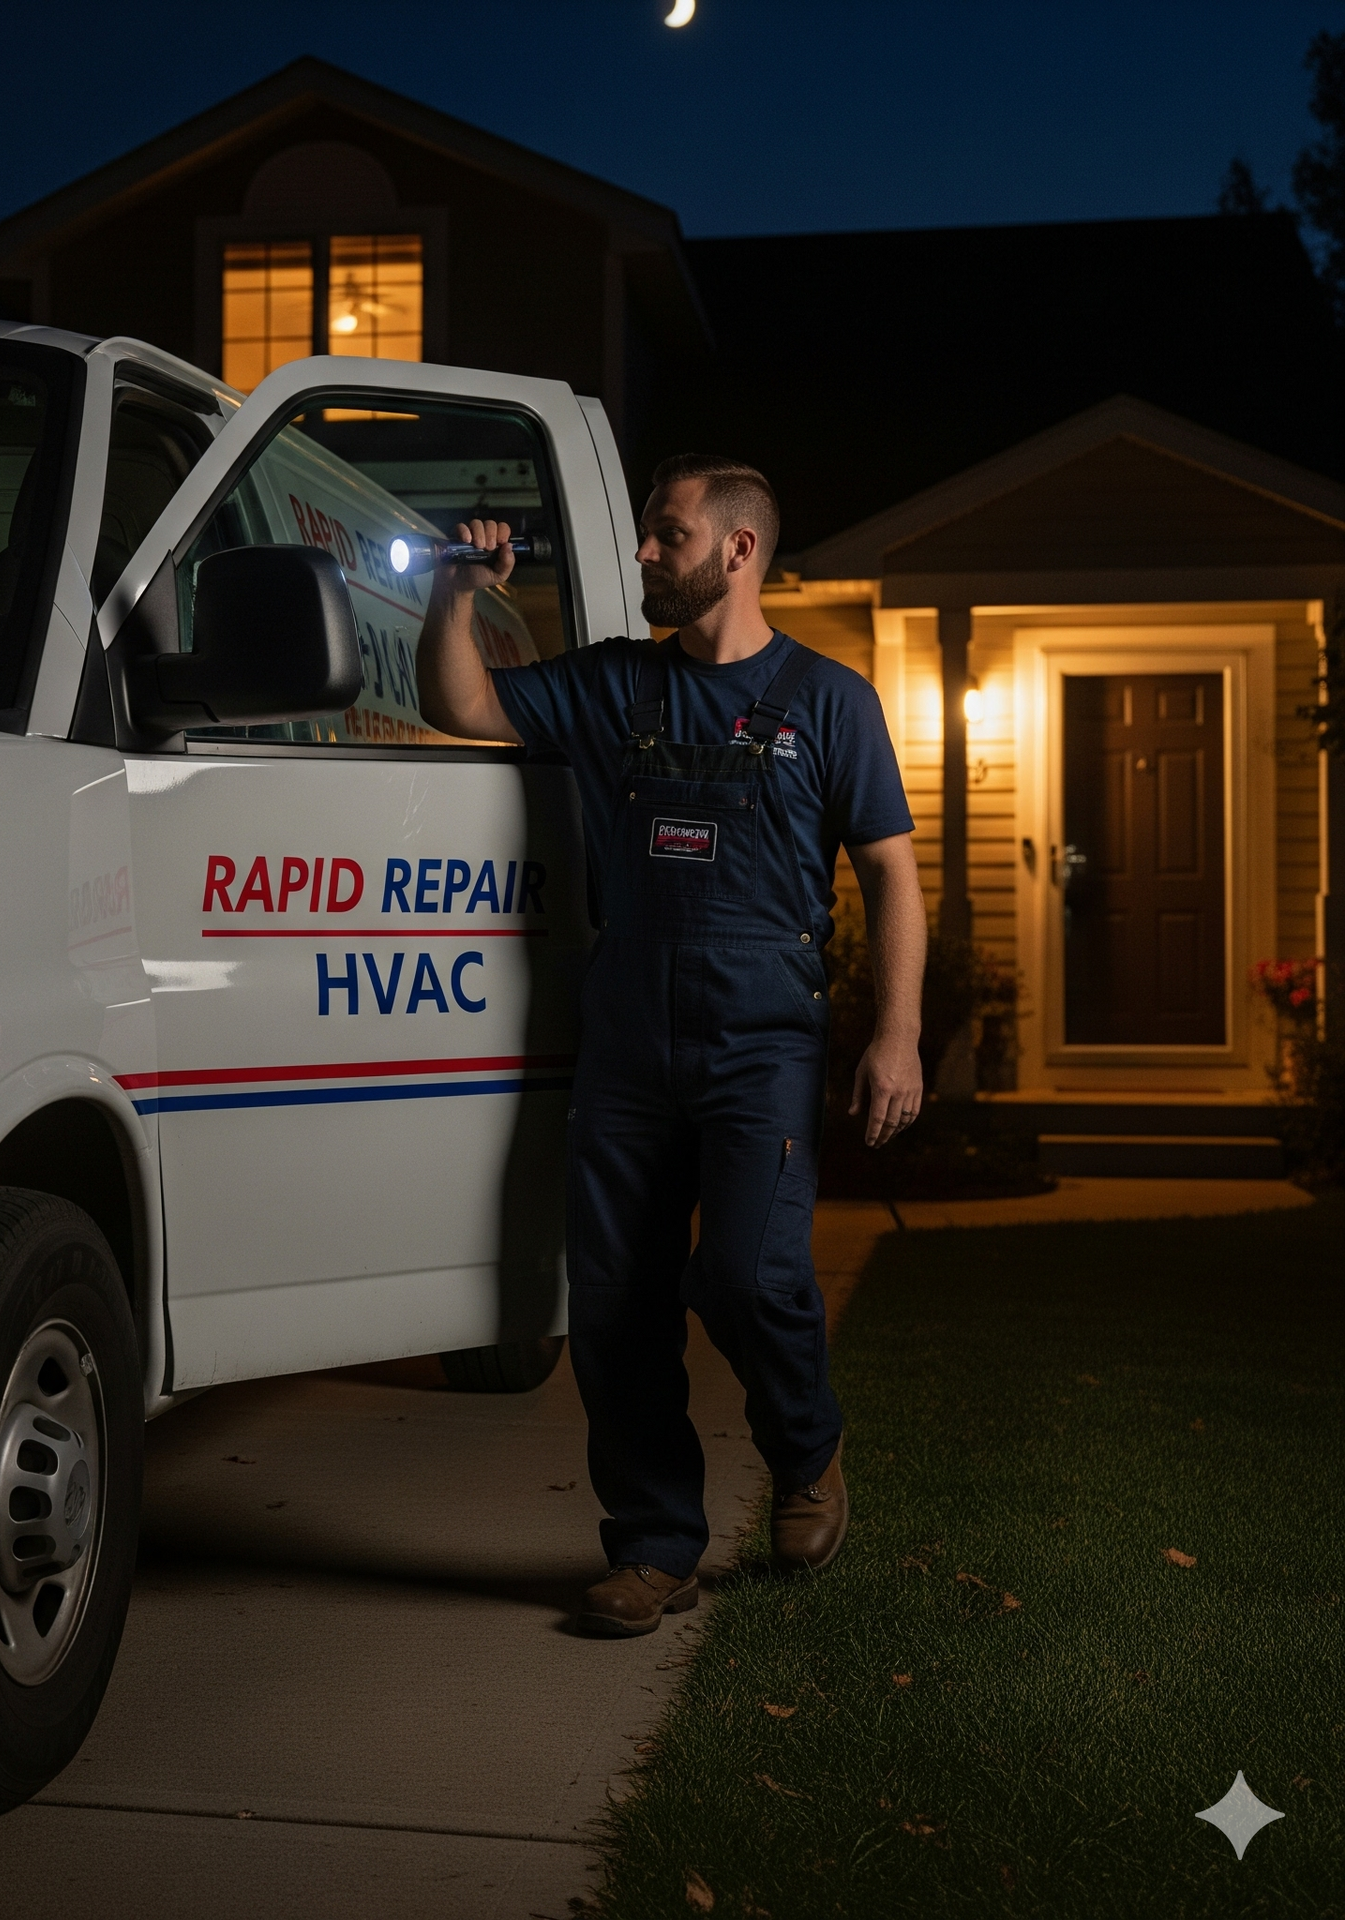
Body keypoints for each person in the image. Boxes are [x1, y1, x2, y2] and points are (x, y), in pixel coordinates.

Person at [414, 452, 925, 1637]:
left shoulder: (830, 699)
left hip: (764, 1045)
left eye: (668, 535)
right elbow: (464, 706)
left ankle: (806, 1450)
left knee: (749, 1276)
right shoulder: (610, 687)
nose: (645, 553)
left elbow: (891, 872)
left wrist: (897, 1033)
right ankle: (653, 1547)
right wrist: (454, 593)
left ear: (738, 550)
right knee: (617, 1304)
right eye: (648, 535)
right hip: (631, 1041)